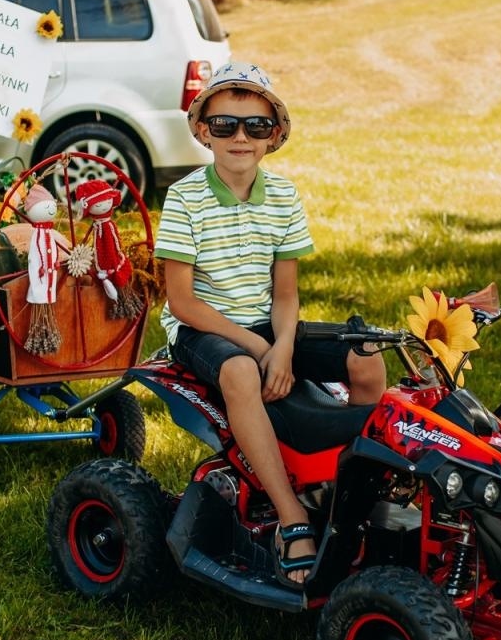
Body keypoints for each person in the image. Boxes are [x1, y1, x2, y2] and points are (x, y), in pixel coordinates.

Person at [154, 62, 386, 587]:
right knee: (240, 372)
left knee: (366, 355)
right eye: (225, 125)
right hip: (203, 330)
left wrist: (282, 346)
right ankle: (291, 514)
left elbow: (285, 295)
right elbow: (182, 302)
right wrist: (258, 350)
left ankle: (347, 489)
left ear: (273, 134)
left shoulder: (283, 196)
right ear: (203, 130)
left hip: (266, 324)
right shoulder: (185, 198)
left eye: (256, 126)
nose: (240, 137)